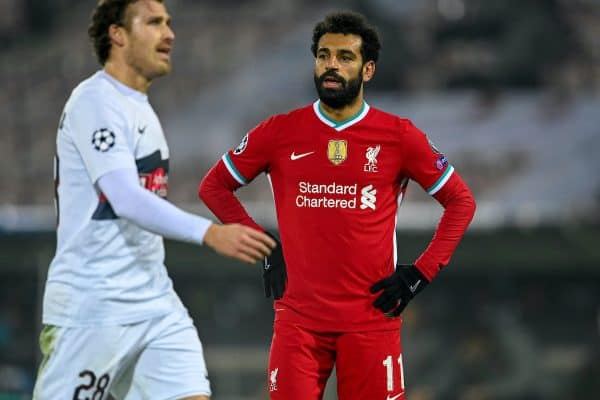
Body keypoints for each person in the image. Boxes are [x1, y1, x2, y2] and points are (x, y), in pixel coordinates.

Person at [199, 11, 476, 400]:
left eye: (345, 57)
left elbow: (460, 201)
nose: (331, 65)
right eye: (324, 55)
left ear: (368, 70)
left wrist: (420, 272)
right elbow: (214, 187)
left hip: (371, 321)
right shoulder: (279, 131)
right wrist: (263, 244)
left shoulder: (399, 137)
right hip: (298, 324)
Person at [32, 1, 276, 399]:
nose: (169, 33)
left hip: (154, 301)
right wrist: (209, 233)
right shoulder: (95, 101)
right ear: (118, 35)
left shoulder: (139, 108)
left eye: (169, 23)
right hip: (93, 306)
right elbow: (126, 199)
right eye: (154, 22)